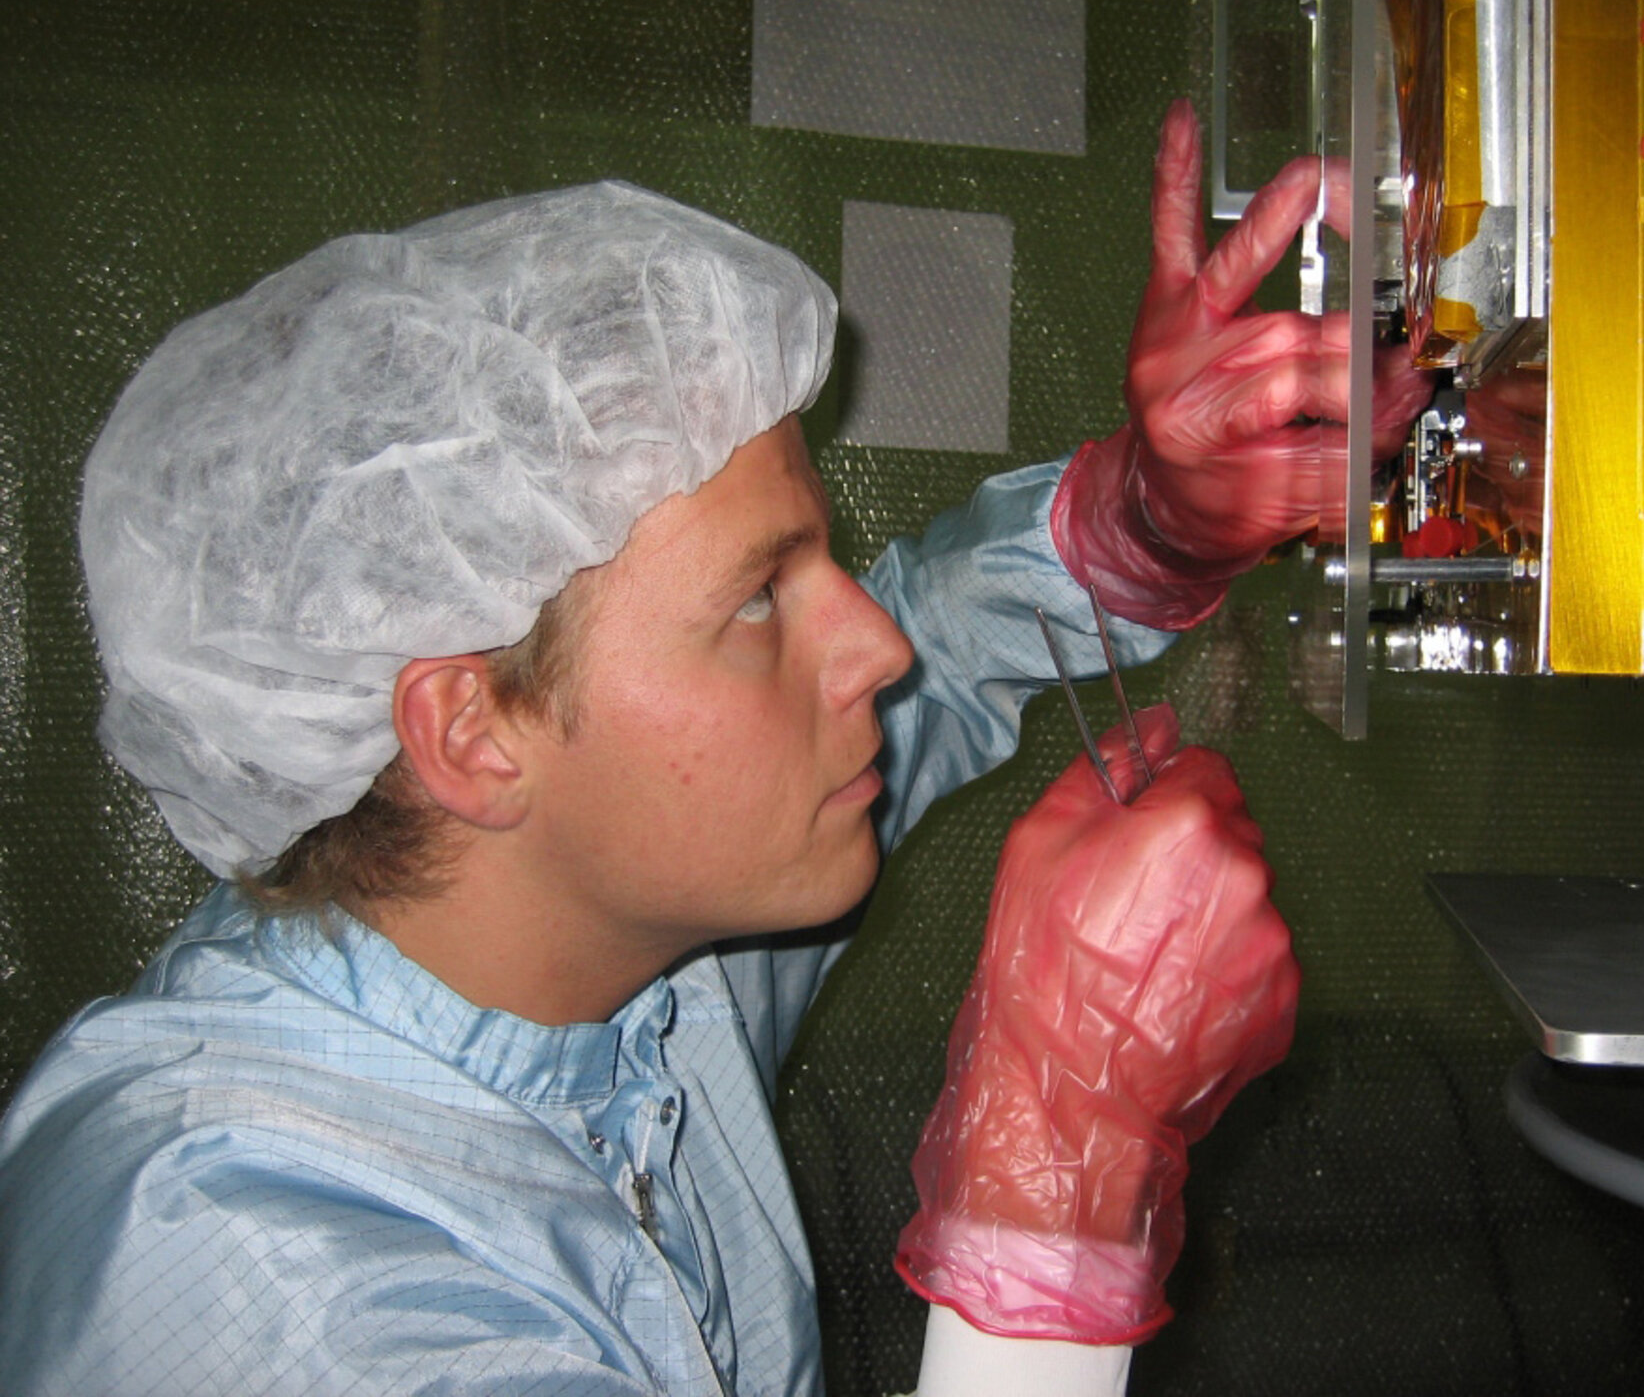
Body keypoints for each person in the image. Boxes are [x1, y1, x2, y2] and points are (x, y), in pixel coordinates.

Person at [0, 101, 1417, 1395]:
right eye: (757, 601)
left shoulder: (618, 958)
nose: (873, 644)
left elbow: (931, 645)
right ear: (470, 733)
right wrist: (1051, 1157)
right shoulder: (262, 1285)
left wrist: (1145, 522)